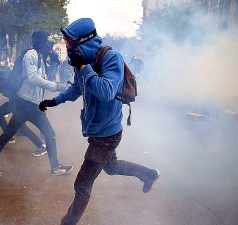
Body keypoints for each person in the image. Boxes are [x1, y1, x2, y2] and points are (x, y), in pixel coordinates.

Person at [38, 18, 160, 225]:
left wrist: (85, 67)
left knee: (82, 183)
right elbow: (77, 88)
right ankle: (149, 174)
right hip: (96, 129)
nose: (67, 47)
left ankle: (68, 222)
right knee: (111, 167)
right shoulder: (81, 61)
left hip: (107, 134)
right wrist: (55, 100)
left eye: (69, 43)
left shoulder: (111, 58)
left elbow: (106, 92)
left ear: (83, 41)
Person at [0, 30, 73, 178]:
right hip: (28, 104)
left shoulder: (39, 57)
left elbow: (43, 78)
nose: (48, 44)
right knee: (49, 134)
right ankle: (55, 167)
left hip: (28, 104)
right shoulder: (32, 55)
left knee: (7, 135)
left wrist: (54, 63)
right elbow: (33, 78)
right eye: (46, 41)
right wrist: (57, 86)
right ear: (38, 41)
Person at [0, 69, 47, 156]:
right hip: (16, 100)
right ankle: (10, 137)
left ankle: (41, 146)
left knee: (20, 125)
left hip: (17, 101)